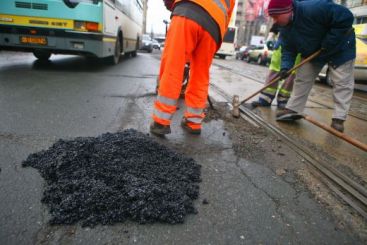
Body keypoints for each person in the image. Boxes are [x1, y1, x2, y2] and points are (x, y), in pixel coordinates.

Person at [267, 0, 356, 132]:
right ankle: (293, 109)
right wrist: (285, 67)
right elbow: (288, 50)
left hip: (340, 48)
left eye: (276, 17)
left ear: (287, 11)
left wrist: (329, 41)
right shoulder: (285, 29)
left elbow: (346, 17)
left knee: (342, 83)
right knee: (302, 78)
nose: (274, 21)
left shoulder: (313, 8)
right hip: (314, 51)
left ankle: (339, 118)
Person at [150, 0, 235, 135]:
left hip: (187, 11)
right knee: (200, 75)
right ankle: (193, 123)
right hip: (214, 28)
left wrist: (170, 5)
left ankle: (161, 122)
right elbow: (227, 17)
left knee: (173, 66)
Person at [252, 24, 301, 109]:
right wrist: (271, 35)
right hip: (280, 48)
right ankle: (265, 99)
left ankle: (283, 100)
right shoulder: (286, 15)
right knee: (273, 74)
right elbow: (278, 22)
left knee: (290, 78)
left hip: (297, 50)